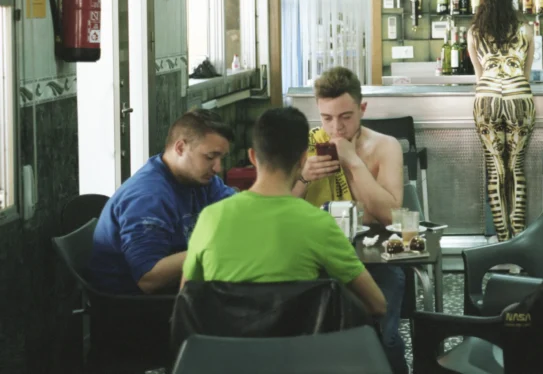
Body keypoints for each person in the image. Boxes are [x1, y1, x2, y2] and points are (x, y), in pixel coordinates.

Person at [181, 106, 386, 318]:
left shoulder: (210, 218)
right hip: (299, 340)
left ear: (252, 157)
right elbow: (377, 304)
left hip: (222, 339)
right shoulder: (319, 224)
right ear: (303, 159)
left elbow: (187, 300)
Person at [292, 66, 407, 374]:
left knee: (385, 338)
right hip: (316, 259)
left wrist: (354, 162)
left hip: (373, 259)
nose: (336, 128)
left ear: (362, 109)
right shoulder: (305, 148)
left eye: (345, 117)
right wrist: (304, 178)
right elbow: (279, 211)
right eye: (327, 118)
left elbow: (392, 216)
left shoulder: (385, 146)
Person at [89, 110, 236, 294]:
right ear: (180, 148)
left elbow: (238, 211)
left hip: (180, 287)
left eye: (221, 158)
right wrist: (212, 249)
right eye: (210, 157)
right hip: (138, 302)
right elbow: (149, 279)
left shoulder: (200, 179)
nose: (218, 167)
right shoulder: (148, 197)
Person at [466, 0, 535, 242]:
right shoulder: (526, 30)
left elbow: (479, 75)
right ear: (511, 2)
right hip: (519, 95)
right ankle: (519, 235)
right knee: (516, 166)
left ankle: (503, 237)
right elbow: (526, 74)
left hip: (487, 96)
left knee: (495, 168)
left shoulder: (474, 33)